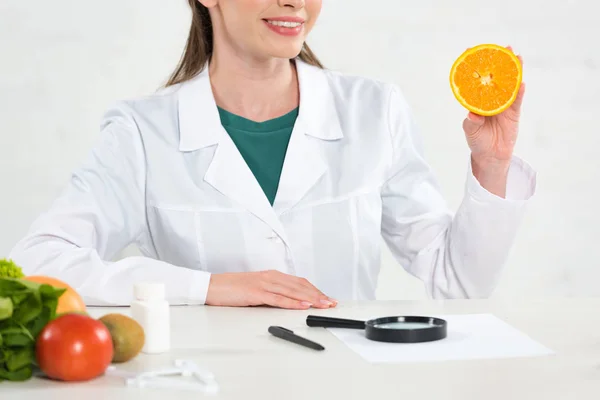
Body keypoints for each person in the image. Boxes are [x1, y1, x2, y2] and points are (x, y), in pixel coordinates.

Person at [9, 0, 536, 310]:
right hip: (206, 383)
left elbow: (458, 283)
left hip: (343, 383)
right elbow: (37, 263)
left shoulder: (374, 110)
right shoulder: (141, 131)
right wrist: (209, 287)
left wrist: (492, 168)